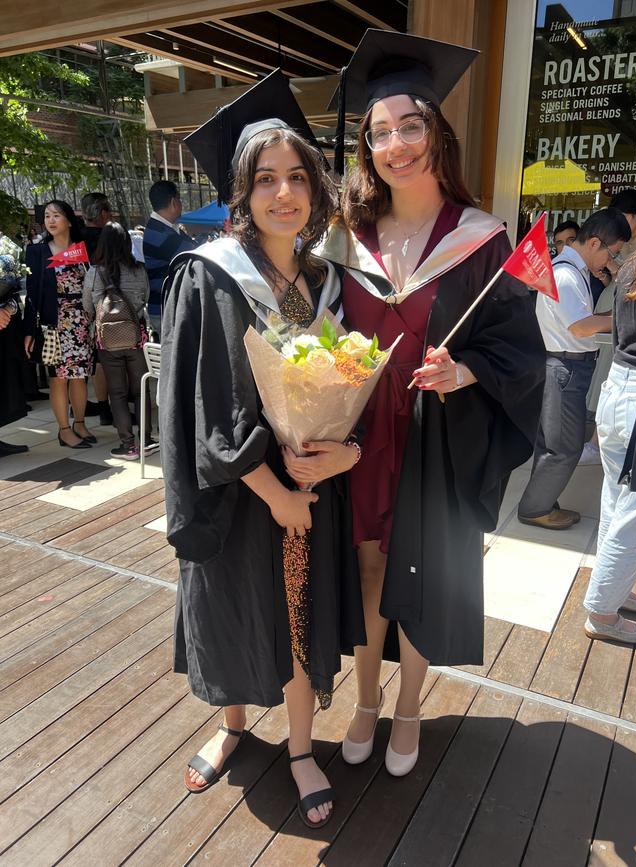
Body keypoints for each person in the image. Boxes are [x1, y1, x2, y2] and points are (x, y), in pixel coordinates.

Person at [313, 29, 545, 777]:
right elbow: (320, 331)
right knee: (369, 569)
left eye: (410, 125)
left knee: (418, 572)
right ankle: (366, 699)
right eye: (379, 132)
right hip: (361, 434)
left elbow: (517, 347)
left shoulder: (481, 240)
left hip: (434, 433)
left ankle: (409, 706)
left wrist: (466, 372)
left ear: (435, 133)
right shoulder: (351, 237)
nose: (395, 144)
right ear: (367, 148)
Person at [159, 70, 365, 828]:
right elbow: (203, 408)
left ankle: (304, 746)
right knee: (239, 612)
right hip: (243, 493)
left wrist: (345, 454)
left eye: (297, 178)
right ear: (241, 195)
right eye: (266, 180)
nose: (285, 194)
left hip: (314, 484)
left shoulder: (326, 282)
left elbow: (355, 374)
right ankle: (234, 725)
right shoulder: (210, 278)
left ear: (316, 189)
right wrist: (276, 493)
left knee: (302, 613)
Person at [518, 209, 631, 529]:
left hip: (569, 368)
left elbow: (585, 319)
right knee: (562, 448)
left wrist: (616, 308)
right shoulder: (566, 274)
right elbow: (581, 326)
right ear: (595, 243)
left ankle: (540, 500)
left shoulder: (573, 269)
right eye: (612, 252)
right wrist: (628, 319)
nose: (610, 261)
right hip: (566, 368)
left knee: (555, 442)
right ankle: (535, 509)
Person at [583, 242, 636, 643]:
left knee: (617, 499)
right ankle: (603, 612)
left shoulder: (634, 265)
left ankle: (615, 592)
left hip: (620, 386)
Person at [24, 200, 95, 449]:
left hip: (81, 321)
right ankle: (64, 430)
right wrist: (29, 331)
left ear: (68, 219)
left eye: (56, 215)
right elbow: (32, 294)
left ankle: (80, 423)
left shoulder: (83, 248)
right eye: (46, 217)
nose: (51, 221)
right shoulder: (37, 252)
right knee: (58, 378)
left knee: (80, 376)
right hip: (54, 323)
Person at [82, 222, 156, 461]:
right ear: (127, 243)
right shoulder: (138, 269)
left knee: (117, 392)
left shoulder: (95, 272)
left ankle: (128, 445)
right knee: (140, 389)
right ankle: (146, 440)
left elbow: (87, 306)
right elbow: (145, 297)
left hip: (107, 340)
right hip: (136, 336)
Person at [143, 181, 196, 337]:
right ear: (173, 202)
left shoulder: (160, 229)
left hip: (164, 306)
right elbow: (194, 253)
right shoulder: (161, 234)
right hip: (166, 308)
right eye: (180, 199)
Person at [81, 192, 114, 426]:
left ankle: (91, 406)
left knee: (89, 359)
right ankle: (108, 408)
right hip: (108, 303)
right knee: (104, 359)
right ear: (103, 213)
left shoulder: (74, 238)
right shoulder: (108, 237)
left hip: (80, 305)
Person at [0, 233, 29, 457]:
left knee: (5, 380)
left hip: (5, 326)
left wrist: (7, 309)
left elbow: (16, 289)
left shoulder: (5, 246)